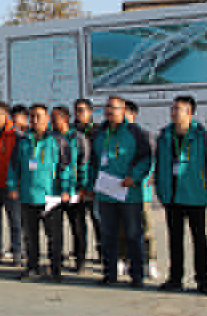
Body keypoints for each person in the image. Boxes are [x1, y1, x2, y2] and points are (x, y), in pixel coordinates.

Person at [155, 95, 207, 295]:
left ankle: (203, 280)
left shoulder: (203, 136)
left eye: (177, 109)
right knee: (174, 240)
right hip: (172, 196)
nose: (173, 112)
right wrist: (160, 190)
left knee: (199, 240)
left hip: (195, 194)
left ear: (189, 112)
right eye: (172, 108)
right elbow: (159, 165)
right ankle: (175, 278)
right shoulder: (164, 135)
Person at [87, 96, 153, 287]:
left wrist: (134, 177)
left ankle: (137, 275)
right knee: (108, 235)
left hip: (129, 194)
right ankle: (110, 273)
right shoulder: (99, 133)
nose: (109, 111)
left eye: (114, 108)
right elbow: (93, 163)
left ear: (123, 110)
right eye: (107, 107)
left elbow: (145, 158)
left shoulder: (134, 132)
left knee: (133, 235)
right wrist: (90, 186)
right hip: (105, 193)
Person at [9, 104, 73, 282]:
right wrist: (12, 186)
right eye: (32, 116)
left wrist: (66, 189)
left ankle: (55, 269)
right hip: (28, 195)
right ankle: (32, 267)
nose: (35, 119)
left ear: (47, 118)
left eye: (39, 116)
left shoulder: (58, 140)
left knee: (54, 237)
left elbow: (66, 167)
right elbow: (14, 166)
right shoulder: (22, 141)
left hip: (51, 197)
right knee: (30, 236)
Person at [120, 100, 159, 280]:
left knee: (146, 227)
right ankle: (123, 259)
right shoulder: (114, 136)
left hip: (141, 191)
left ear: (133, 115)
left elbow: (150, 162)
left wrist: (140, 179)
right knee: (122, 227)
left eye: (124, 112)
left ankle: (150, 261)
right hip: (119, 190)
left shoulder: (145, 135)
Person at [52, 105, 88, 273]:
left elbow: (84, 163)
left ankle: (80, 261)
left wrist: (82, 187)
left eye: (55, 118)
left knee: (78, 228)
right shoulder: (50, 138)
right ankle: (56, 261)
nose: (52, 121)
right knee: (54, 229)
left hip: (74, 190)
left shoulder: (78, 138)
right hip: (54, 191)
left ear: (65, 119)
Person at [0, 100, 23, 265]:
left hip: (11, 186)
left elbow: (21, 160)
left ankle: (17, 253)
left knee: (15, 221)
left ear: (5, 114)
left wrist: (17, 183)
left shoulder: (16, 134)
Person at [73, 99, 101, 263]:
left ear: (90, 112)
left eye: (82, 110)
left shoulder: (98, 131)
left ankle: (102, 254)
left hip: (94, 184)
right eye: (76, 110)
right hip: (75, 185)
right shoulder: (70, 131)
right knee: (77, 223)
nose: (78, 113)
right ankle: (80, 257)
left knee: (98, 220)